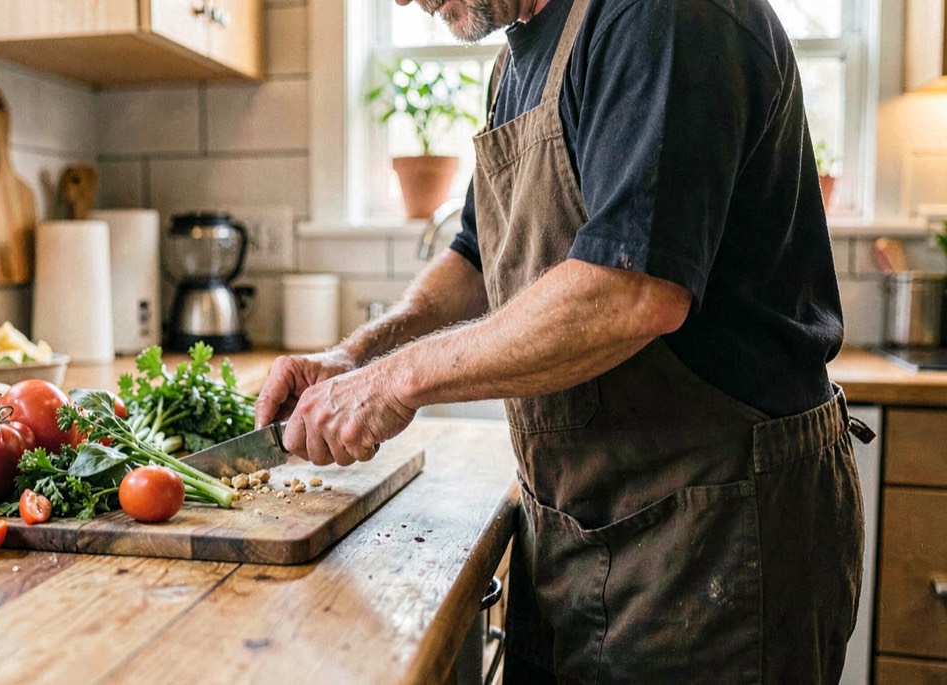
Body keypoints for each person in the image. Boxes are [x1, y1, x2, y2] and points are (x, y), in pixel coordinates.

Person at [254, 0, 867, 681]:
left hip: (718, 539)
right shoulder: (519, 62)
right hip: (584, 530)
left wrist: (396, 381)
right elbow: (477, 257)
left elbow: (633, 290)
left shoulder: (662, 18)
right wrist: (357, 357)